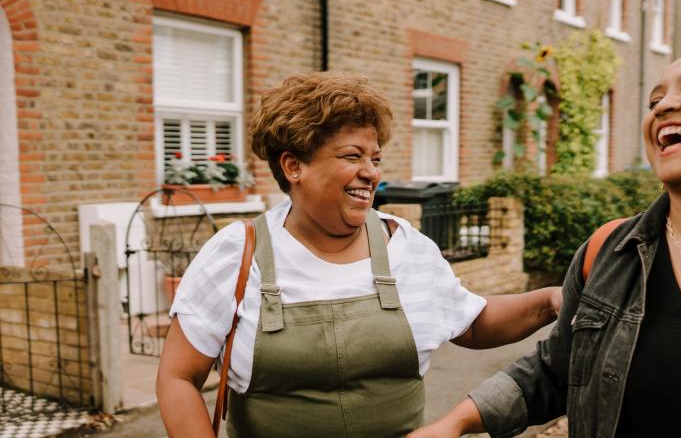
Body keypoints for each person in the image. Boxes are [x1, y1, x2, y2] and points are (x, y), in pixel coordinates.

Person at [156, 71, 562, 438]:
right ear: (294, 166)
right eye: (353, 156)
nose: (371, 171)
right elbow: (178, 377)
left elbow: (472, 324)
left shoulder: (407, 247)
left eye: (376, 158)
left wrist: (550, 301)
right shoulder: (239, 254)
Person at [410, 50, 681, 438]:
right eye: (654, 101)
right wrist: (454, 423)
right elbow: (557, 370)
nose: (664, 105)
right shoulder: (608, 252)